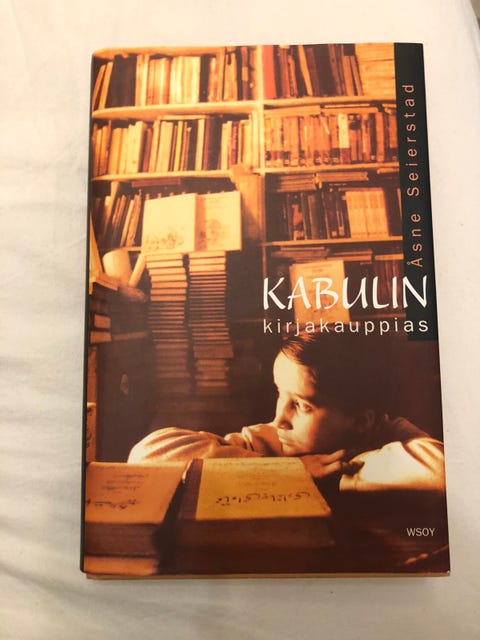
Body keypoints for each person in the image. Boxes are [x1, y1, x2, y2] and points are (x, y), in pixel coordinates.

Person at [128, 333, 445, 493]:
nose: (280, 419)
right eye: (281, 394)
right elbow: (148, 454)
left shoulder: (387, 432)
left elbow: (443, 472)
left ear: (362, 422)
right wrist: (288, 473)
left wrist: (339, 475)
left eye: (303, 405)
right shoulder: (266, 441)